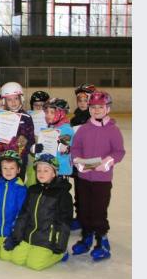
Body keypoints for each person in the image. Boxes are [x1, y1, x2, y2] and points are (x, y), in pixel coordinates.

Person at [70, 91, 125, 262]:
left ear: (107, 108)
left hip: (102, 179)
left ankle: (102, 240)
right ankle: (86, 237)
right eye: (93, 107)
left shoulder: (113, 130)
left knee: (98, 211)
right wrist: (78, 161)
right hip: (84, 178)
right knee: (84, 209)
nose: (96, 110)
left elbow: (119, 151)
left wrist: (107, 162)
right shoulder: (83, 129)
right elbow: (75, 148)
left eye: (100, 107)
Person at [4, 154, 72, 271]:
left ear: (54, 173)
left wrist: (60, 245)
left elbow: (64, 221)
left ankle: (61, 254)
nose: (41, 173)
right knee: (16, 258)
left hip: (47, 239)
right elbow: (24, 215)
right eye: (39, 170)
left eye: (46, 170)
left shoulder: (62, 194)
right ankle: (32, 249)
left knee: (35, 264)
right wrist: (17, 238)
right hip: (29, 236)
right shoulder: (32, 190)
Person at [0, 151, 27, 260]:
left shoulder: (21, 189)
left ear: (18, 170)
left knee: (6, 256)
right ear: (0, 169)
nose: (8, 171)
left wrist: (14, 236)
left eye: (12, 168)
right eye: (5, 168)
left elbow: (22, 214)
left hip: (10, 234)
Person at [0, 82, 35, 182]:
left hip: (19, 161)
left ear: (21, 99)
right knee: (1, 187)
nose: (13, 102)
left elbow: (31, 140)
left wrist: (26, 144)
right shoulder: (0, 117)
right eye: (9, 99)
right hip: (1, 160)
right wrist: (0, 142)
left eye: (16, 98)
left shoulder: (27, 118)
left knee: (17, 187)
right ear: (5, 101)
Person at [28, 98, 74, 186]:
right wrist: (35, 149)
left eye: (52, 112)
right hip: (48, 170)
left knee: (57, 197)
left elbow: (66, 150)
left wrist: (62, 147)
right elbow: (44, 148)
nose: (48, 115)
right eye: (46, 112)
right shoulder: (49, 128)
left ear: (62, 113)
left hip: (60, 171)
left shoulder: (66, 130)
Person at [68, 83, 96, 231]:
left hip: (92, 162)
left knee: (90, 192)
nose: (83, 103)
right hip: (79, 162)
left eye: (86, 100)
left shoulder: (96, 118)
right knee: (79, 191)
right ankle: (80, 217)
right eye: (80, 100)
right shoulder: (74, 120)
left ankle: (89, 220)